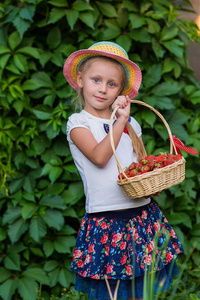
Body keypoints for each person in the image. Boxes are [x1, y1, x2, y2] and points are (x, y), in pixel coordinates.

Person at [64, 41, 184, 300]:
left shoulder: (132, 123)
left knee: (141, 292)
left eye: (112, 84)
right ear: (81, 79)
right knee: (113, 293)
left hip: (142, 214)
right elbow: (99, 157)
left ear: (121, 90)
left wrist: (153, 182)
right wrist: (120, 120)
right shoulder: (78, 123)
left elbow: (137, 164)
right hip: (106, 221)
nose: (103, 89)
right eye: (96, 79)